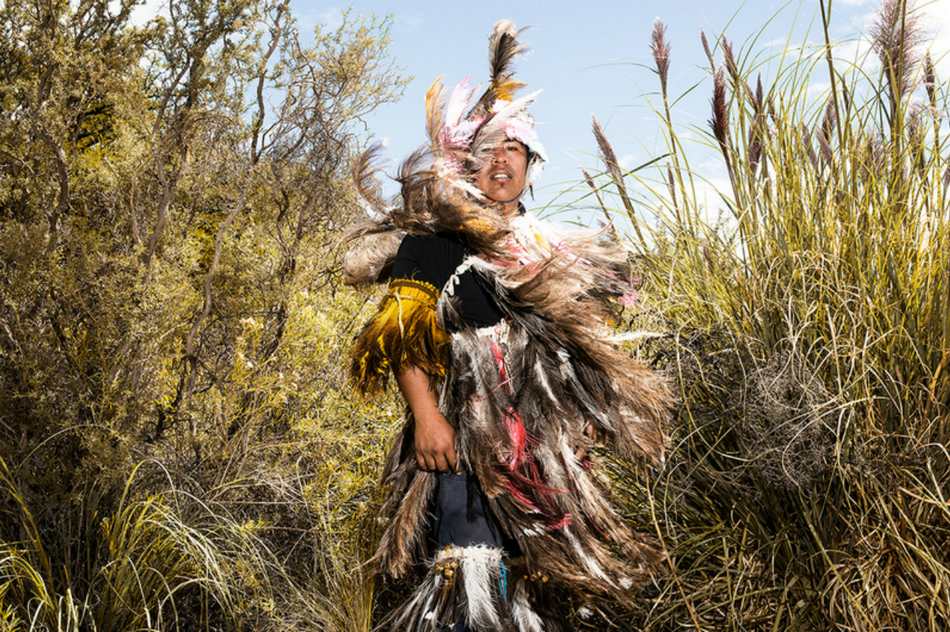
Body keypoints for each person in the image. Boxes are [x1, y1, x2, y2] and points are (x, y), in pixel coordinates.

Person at [345, 20, 671, 632]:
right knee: (469, 578)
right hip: (463, 440)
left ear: (530, 164)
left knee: (546, 586)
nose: (501, 161)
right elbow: (403, 340)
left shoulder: (552, 250)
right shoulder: (436, 243)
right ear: (468, 161)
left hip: (546, 451)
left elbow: (585, 352)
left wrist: (583, 431)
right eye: (488, 150)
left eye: (513, 150)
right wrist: (428, 419)